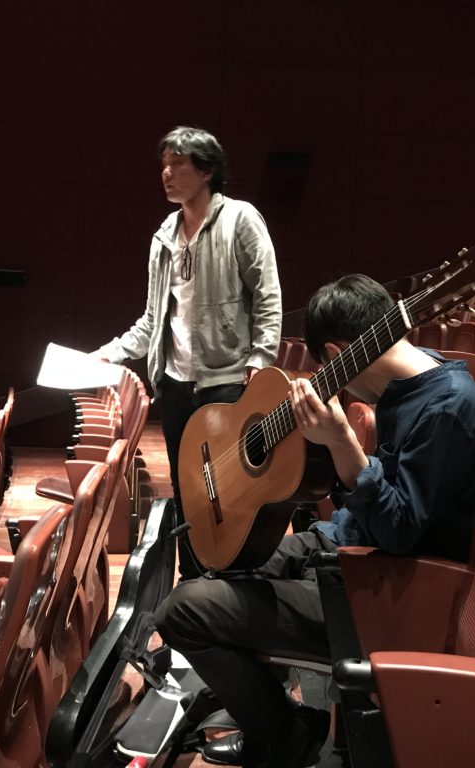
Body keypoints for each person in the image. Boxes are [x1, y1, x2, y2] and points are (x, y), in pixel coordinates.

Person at [155, 274, 475, 768]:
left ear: (336, 354)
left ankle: (288, 737)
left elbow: (399, 534)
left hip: (388, 593)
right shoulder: (412, 383)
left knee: (182, 612)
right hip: (346, 551)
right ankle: (265, 713)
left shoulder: (448, 408)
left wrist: (342, 443)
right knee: (221, 565)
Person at [95, 126, 282, 579]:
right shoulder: (164, 236)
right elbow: (151, 321)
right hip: (175, 385)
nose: (167, 172)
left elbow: (268, 295)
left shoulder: (240, 219)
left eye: (178, 163)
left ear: (207, 170)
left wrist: (261, 359)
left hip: (226, 381)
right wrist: (108, 354)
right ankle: (192, 578)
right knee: (187, 489)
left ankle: (231, 577)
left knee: (228, 487)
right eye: (164, 164)